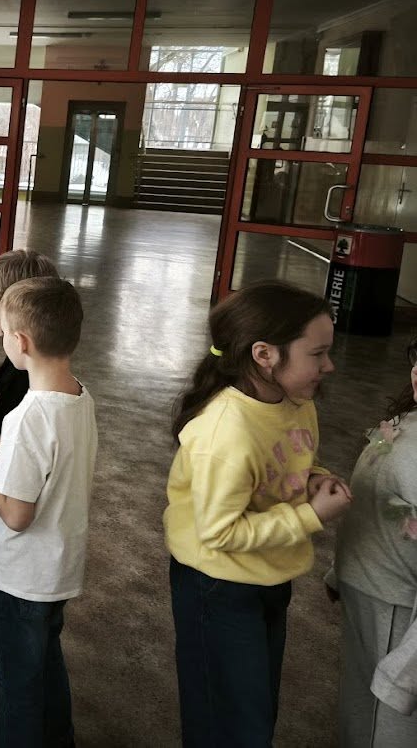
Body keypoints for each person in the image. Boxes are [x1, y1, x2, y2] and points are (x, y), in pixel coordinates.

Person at [165, 280, 352, 747]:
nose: (329, 365)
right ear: (264, 355)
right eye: (318, 353)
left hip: (267, 575)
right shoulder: (225, 434)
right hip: (218, 585)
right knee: (228, 720)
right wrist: (311, 515)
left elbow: (290, 459)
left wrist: (311, 478)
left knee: (254, 709)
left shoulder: (296, 403)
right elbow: (219, 533)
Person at [0, 276, 96, 748]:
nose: (2, 337)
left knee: (17, 685)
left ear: (21, 342)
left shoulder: (28, 415)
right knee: (46, 664)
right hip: (57, 569)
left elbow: (15, 515)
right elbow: (52, 460)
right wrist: (2, 449)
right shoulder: (79, 395)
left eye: (4, 330)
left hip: (20, 576)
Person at [331, 336, 417, 747]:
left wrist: (404, 676)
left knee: (385, 732)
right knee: (358, 720)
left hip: (399, 619)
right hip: (367, 595)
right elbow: (381, 506)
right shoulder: (408, 421)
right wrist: (341, 569)